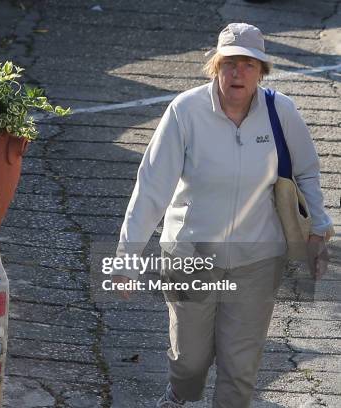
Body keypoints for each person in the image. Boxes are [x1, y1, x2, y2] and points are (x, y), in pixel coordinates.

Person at [112, 23, 334, 407]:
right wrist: (126, 258)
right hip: (191, 257)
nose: (237, 74)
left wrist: (319, 225)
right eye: (229, 63)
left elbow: (307, 172)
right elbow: (151, 188)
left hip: (258, 260)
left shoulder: (282, 112)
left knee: (240, 367)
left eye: (248, 65)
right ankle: (179, 397)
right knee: (190, 362)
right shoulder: (185, 112)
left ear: (261, 71)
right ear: (215, 66)